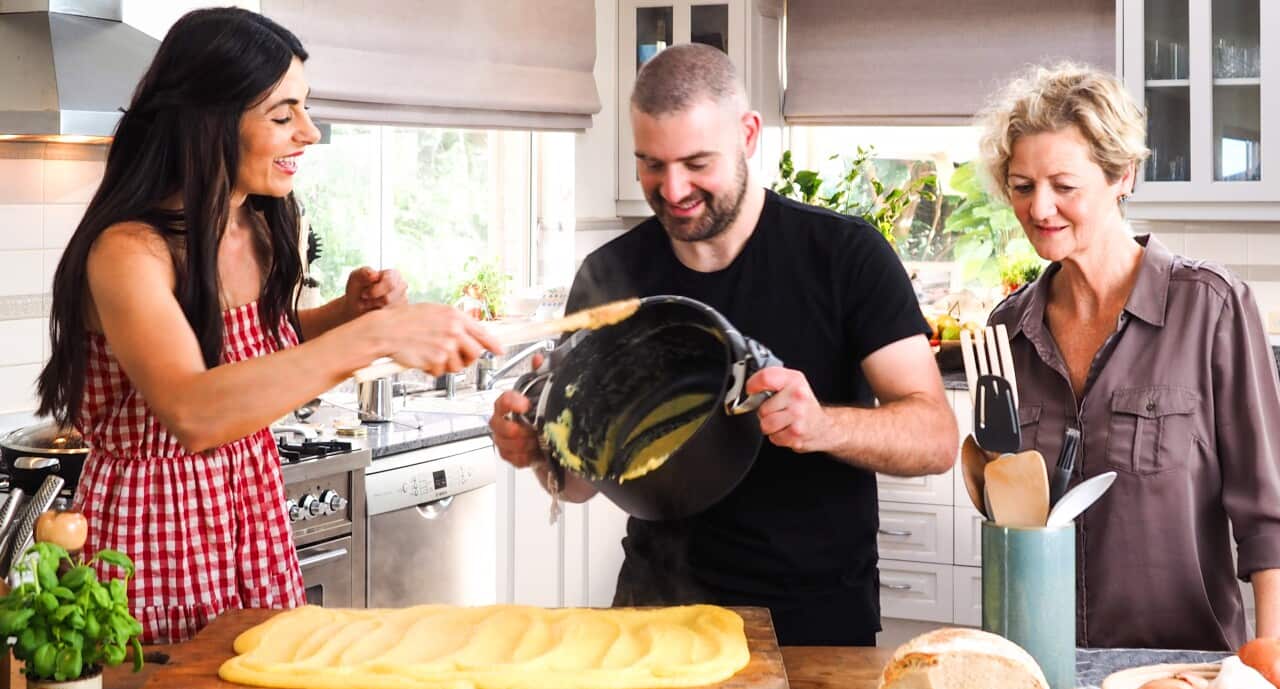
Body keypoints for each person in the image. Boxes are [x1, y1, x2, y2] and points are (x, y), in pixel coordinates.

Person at [36, 8, 501, 643]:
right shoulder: (129, 251)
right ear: (209, 121)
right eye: (282, 116)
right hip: (152, 529)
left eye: (304, 110)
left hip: (251, 510)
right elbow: (195, 412)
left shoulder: (261, 223)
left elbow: (249, 356)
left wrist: (342, 315)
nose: (308, 132)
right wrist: (370, 338)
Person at [490, 44, 957, 646]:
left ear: (748, 134)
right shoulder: (611, 278)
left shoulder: (845, 256)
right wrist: (537, 448)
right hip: (653, 617)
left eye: (696, 162)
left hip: (814, 621)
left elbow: (937, 439)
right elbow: (581, 482)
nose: (673, 188)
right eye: (651, 164)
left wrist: (822, 427)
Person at [980, 63, 1280, 650]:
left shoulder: (1211, 309)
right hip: (1040, 668)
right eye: (1022, 186)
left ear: (1123, 176)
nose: (1040, 209)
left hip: (1180, 674)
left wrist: (1272, 666)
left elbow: (1268, 514)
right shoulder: (1006, 332)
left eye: (1064, 186)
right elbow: (1008, 521)